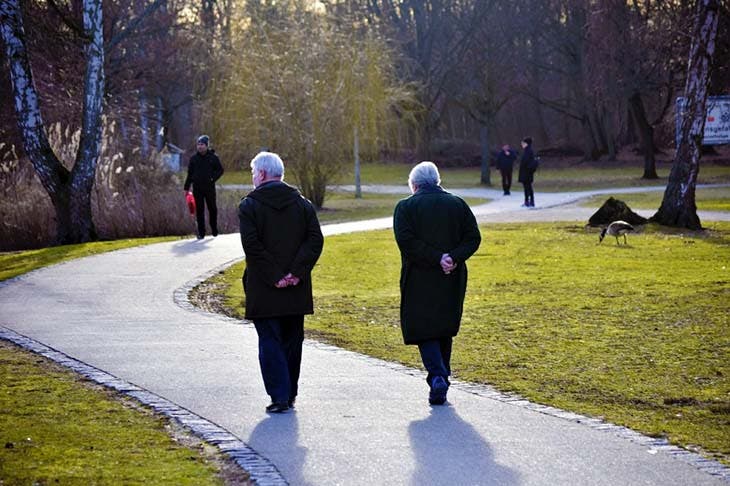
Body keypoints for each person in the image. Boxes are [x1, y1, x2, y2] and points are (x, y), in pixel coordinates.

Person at [238, 151, 324, 414]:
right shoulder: (303, 205)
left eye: (254, 173)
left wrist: (276, 276)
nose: (253, 178)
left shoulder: (249, 206)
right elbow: (315, 240)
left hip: (264, 287)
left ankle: (279, 395)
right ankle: (290, 392)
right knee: (291, 340)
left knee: (270, 340)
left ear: (262, 174)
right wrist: (295, 273)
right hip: (296, 289)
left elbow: (252, 246)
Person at [393, 161, 481, 405]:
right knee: (444, 326)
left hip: (419, 278)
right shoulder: (457, 204)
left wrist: (436, 257)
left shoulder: (405, 207)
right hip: (451, 276)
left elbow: (406, 242)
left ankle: (438, 375)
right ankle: (441, 376)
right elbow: (473, 238)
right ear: (437, 181)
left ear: (414, 185)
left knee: (424, 328)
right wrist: (452, 257)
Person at [184, 135, 224, 239]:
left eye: (202, 145)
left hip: (209, 187)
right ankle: (201, 232)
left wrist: (212, 178)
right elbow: (190, 174)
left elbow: (220, 170)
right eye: (198, 145)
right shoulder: (194, 159)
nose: (200, 147)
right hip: (197, 188)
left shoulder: (213, 157)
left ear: (206, 146)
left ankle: (214, 229)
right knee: (200, 210)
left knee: (212, 209)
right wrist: (186, 187)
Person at [518, 137, 537, 207]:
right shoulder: (527, 151)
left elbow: (526, 162)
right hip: (527, 172)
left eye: (523, 143)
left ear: (526, 143)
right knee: (528, 187)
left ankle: (528, 201)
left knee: (527, 187)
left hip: (526, 172)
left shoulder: (528, 151)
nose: (522, 145)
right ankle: (529, 201)